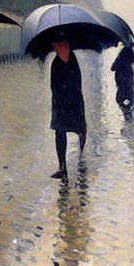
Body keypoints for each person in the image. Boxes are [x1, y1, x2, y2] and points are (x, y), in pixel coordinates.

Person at [49, 37, 86, 179]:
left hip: (74, 102)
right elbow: (53, 85)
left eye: (60, 45)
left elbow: (76, 82)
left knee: (80, 130)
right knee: (59, 132)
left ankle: (81, 158)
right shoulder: (55, 63)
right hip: (60, 103)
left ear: (67, 45)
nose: (58, 48)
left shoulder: (73, 60)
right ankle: (62, 166)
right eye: (56, 46)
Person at [110, 44, 134, 117]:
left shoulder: (121, 63)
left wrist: (118, 58)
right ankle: (129, 122)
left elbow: (112, 68)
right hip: (127, 92)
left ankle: (128, 122)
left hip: (123, 91)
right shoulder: (129, 67)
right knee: (128, 110)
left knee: (125, 108)